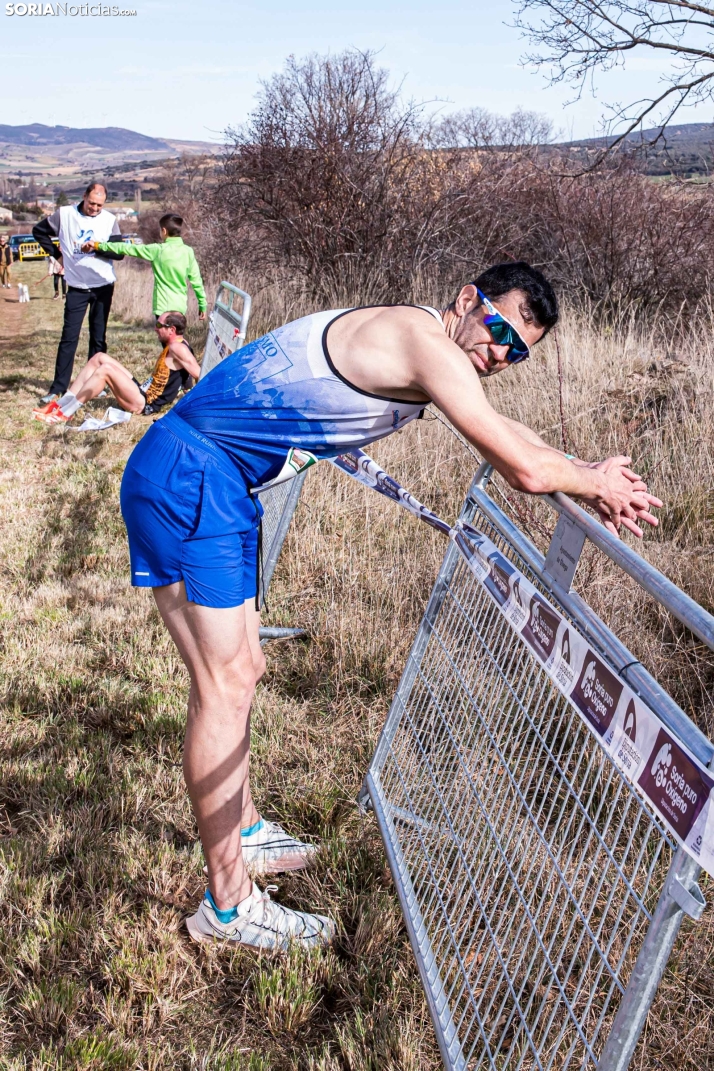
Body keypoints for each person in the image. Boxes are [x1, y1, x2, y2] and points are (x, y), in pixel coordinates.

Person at [118, 262, 662, 952]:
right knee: (223, 684)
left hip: (197, 471)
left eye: (517, 350)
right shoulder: (424, 340)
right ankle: (227, 906)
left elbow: (504, 427)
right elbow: (520, 468)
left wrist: (586, 473)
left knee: (236, 671)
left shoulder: (432, 345)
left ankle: (246, 834)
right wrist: (587, 480)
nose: (500, 353)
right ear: (467, 299)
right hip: (199, 475)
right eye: (498, 329)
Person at [33, 183, 125, 403]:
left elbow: (119, 253)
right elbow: (39, 231)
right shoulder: (64, 214)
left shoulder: (110, 220)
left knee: (98, 336)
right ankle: (58, 388)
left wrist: (96, 247)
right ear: (84, 197)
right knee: (68, 337)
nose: (94, 208)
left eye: (99, 205)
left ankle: (96, 385)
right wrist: (57, 254)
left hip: (103, 285)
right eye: (91, 203)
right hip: (76, 286)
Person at [32, 311, 200, 424]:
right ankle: (60, 405)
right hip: (141, 391)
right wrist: (187, 388)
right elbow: (185, 374)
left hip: (144, 404)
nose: (155, 329)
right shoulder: (177, 344)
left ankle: (65, 413)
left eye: (158, 325)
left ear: (171, 329)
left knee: (105, 370)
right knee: (99, 358)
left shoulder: (178, 348)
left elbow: (199, 373)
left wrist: (196, 404)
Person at [84, 213, 207, 321]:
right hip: (180, 306)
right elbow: (196, 281)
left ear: (164, 231)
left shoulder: (157, 250)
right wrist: (202, 304)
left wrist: (98, 245)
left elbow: (126, 248)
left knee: (169, 344)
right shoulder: (188, 252)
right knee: (176, 341)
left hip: (162, 306)